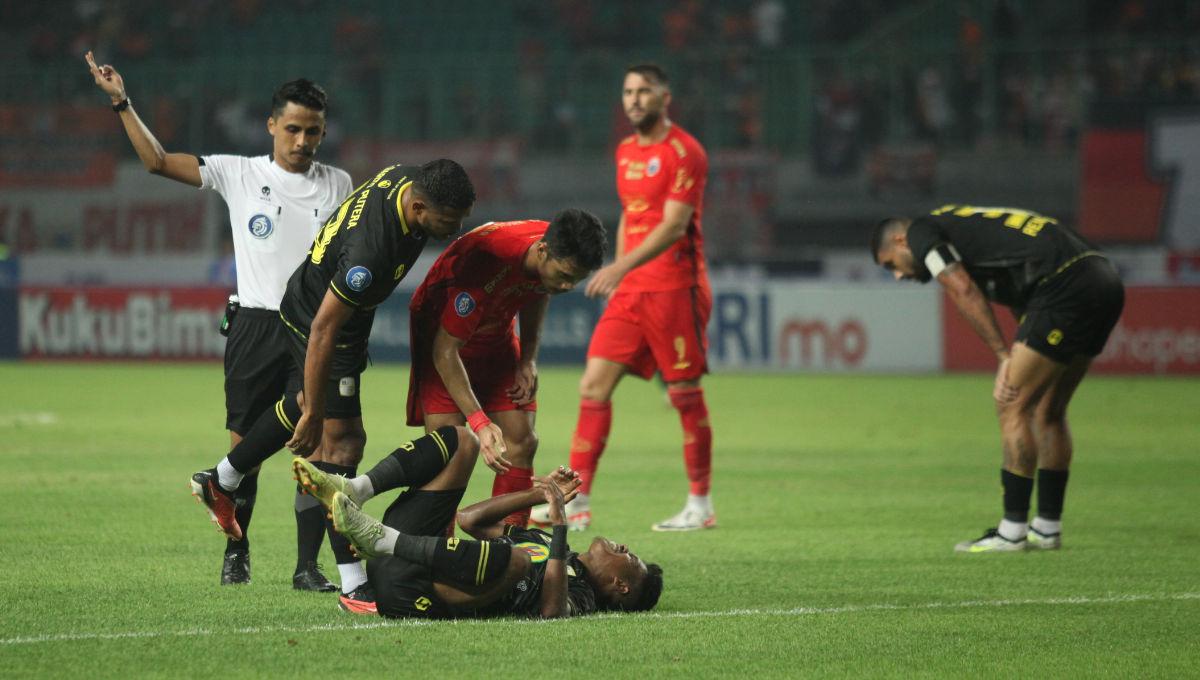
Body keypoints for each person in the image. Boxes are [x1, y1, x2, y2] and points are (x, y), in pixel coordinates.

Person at [86, 52, 354, 589]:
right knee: (244, 447)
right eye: (295, 129)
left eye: (315, 133)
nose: (303, 142)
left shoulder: (340, 184)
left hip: (313, 330)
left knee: (317, 445)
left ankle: (307, 567)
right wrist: (122, 102)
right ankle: (238, 550)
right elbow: (158, 161)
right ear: (272, 125)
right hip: (255, 326)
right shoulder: (239, 172)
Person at [190, 159, 476, 612]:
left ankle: (222, 478)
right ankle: (352, 584)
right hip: (322, 322)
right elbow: (324, 327)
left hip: (334, 313)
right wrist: (316, 412)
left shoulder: (407, 179)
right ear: (419, 206)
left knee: (321, 423)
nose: (456, 228)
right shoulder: (372, 253)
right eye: (448, 220)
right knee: (340, 445)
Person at [869, 204, 1124, 552]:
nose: (897, 275)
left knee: (1012, 403)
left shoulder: (921, 233)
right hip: (1103, 278)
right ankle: (1047, 528)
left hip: (1065, 285)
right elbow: (1024, 291)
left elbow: (962, 289)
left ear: (900, 240)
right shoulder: (960, 224)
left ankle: (1011, 531)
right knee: (1048, 410)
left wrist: (1004, 355)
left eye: (891, 265)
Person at [533, 63, 715, 532]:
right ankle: (577, 502)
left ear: (664, 96)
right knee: (593, 386)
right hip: (632, 291)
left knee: (684, 395)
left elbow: (674, 225)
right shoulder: (626, 150)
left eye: (643, 91)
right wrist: (618, 273)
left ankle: (700, 503)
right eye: (628, 91)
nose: (633, 99)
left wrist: (619, 266)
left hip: (676, 289)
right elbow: (631, 218)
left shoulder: (685, 151)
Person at [291, 431, 664, 618]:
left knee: (516, 561)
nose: (626, 549)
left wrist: (561, 525)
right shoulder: (547, 543)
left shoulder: (584, 595)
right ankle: (358, 489)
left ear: (622, 587)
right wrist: (540, 495)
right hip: (409, 554)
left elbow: (551, 612)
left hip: (418, 594)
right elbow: (469, 519)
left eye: (632, 561)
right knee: (463, 441)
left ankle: (381, 539)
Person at [406, 210, 607, 528]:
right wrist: (480, 423)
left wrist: (528, 357)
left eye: (576, 279)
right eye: (565, 274)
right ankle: (437, 550)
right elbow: (445, 351)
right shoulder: (486, 262)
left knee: (522, 440)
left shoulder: (550, 245)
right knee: (448, 452)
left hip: (496, 339)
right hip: (443, 341)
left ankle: (513, 542)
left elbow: (541, 287)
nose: (568, 285)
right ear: (542, 251)